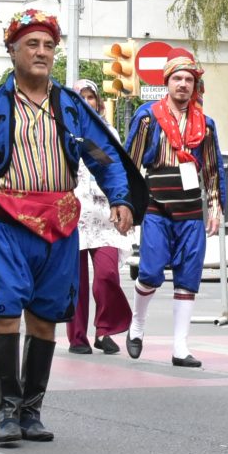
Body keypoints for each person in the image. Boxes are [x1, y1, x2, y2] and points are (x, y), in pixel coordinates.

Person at [0, 9, 138, 447]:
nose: (42, 52)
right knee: (5, 313)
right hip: (3, 222)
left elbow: (102, 156)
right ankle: (7, 412)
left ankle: (31, 412)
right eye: (32, 44)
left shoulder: (71, 106)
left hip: (59, 225)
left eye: (48, 45)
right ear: (12, 51)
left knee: (46, 320)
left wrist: (120, 197)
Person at [122, 45, 223, 366]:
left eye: (188, 80)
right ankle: (137, 325)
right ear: (167, 81)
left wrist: (215, 207)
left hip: (191, 209)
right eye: (177, 78)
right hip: (157, 205)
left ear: (194, 85)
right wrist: (125, 204)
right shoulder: (148, 117)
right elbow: (130, 164)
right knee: (150, 272)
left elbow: (212, 169)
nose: (183, 84)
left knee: (189, 276)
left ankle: (180, 346)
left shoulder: (205, 125)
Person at [67, 81, 133, 356]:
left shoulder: (107, 132)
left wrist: (122, 201)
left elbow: (111, 168)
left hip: (104, 213)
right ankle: (77, 337)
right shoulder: (63, 130)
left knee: (107, 275)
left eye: (90, 97)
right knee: (76, 280)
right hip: (73, 212)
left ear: (98, 102)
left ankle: (104, 329)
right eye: (80, 97)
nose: (86, 101)